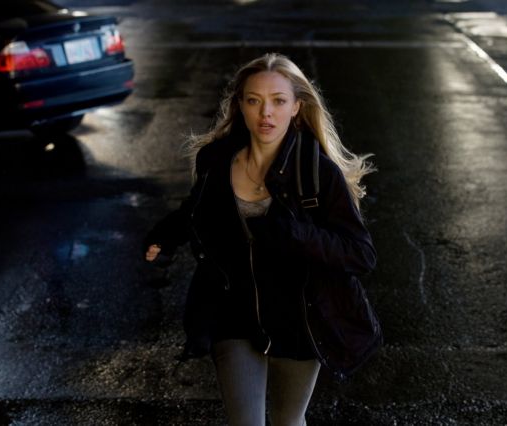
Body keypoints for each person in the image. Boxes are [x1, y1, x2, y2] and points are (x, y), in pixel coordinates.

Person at [144, 53, 380, 426]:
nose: (265, 113)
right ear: (240, 105)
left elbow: (360, 254)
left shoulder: (317, 173)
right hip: (233, 315)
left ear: (296, 107)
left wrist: (296, 233)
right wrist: (166, 235)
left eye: (278, 101)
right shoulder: (216, 161)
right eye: (254, 100)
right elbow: (198, 208)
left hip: (298, 319)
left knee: (288, 420)